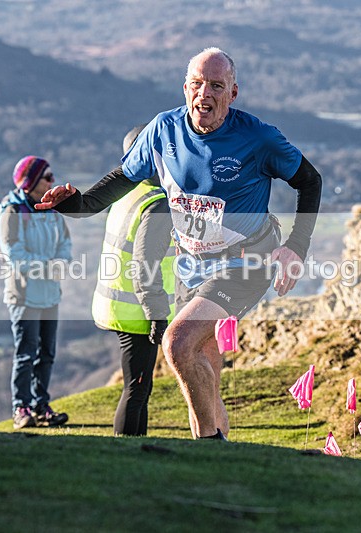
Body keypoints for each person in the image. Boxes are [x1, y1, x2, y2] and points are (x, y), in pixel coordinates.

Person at [36, 47, 322, 440]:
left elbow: (310, 180)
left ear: (232, 94)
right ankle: (217, 455)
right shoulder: (162, 129)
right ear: (185, 88)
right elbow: (123, 178)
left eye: (216, 86)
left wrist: (296, 246)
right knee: (202, 366)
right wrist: (77, 205)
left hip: (245, 261)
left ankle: (208, 446)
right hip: (192, 266)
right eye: (197, 84)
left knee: (177, 343)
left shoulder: (258, 138)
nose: (205, 94)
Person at [93, 125, 176, 436]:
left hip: (120, 303)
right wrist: (157, 315)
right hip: (137, 310)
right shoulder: (157, 203)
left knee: (139, 387)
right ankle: (125, 453)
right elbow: (145, 266)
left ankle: (135, 451)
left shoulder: (129, 193)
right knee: (137, 388)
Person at [0, 156, 72, 429]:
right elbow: (13, 255)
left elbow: (65, 242)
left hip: (50, 294)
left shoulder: (52, 210)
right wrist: (49, 267)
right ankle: (22, 408)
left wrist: (60, 264)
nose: (53, 181)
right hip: (24, 296)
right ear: (30, 183)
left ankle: (41, 405)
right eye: (47, 177)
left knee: (47, 354)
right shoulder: (12, 213)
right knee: (26, 354)